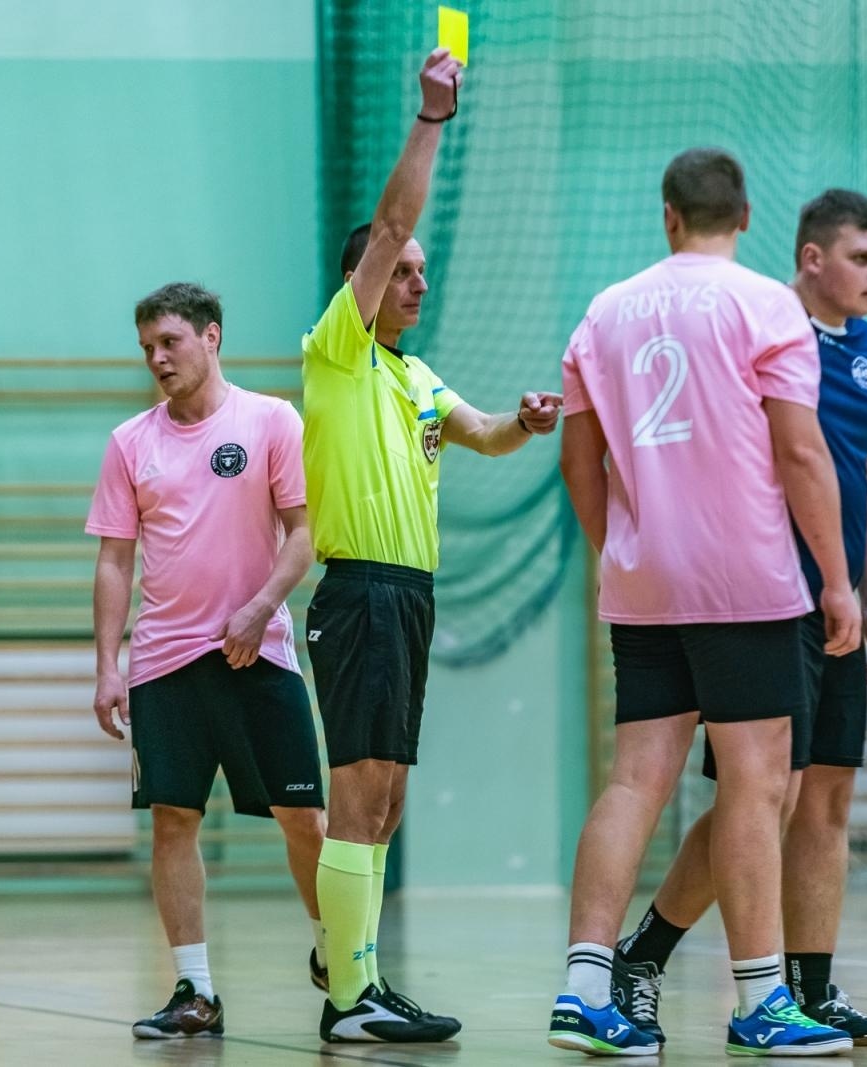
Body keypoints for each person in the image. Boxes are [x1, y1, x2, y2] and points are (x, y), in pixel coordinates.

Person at [547, 147, 860, 1058]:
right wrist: (836, 582)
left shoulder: (602, 312)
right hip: (746, 580)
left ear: (669, 214)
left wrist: (621, 554)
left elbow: (579, 460)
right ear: (747, 215)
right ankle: (761, 1000)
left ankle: (584, 990)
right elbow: (801, 456)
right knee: (759, 786)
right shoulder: (767, 305)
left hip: (645, 580)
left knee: (634, 779)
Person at [301, 48, 562, 1044]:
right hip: (360, 589)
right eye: (398, 270)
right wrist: (430, 120)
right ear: (361, 282)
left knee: (390, 791)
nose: (415, 277)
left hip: (409, 595)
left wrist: (527, 423)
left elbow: (486, 430)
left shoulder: (415, 379)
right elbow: (399, 218)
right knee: (359, 788)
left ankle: (355, 967)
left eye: (418, 273)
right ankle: (346, 997)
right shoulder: (338, 349)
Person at [610, 189, 867, 1049]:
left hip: (842, 598)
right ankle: (646, 953)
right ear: (812, 258)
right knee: (763, 795)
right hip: (768, 598)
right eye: (862, 257)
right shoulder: (764, 328)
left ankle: (812, 988)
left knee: (829, 797)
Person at [88, 282, 328, 1039]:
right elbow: (114, 563)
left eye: (170, 342)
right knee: (173, 819)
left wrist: (259, 610)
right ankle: (195, 989)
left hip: (261, 654)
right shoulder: (131, 441)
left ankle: (339, 963)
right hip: (164, 663)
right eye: (147, 349)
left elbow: (302, 534)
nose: (157, 359)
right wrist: (107, 664)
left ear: (211, 336)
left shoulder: (270, 420)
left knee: (305, 817)